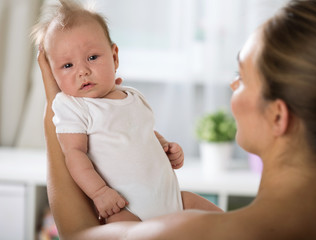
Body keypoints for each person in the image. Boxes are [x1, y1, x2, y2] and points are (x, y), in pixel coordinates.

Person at [37, 0, 316, 239]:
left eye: (241, 78)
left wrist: (55, 104)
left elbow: (79, 234)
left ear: (278, 115)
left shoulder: (183, 232)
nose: (234, 88)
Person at [32, 0, 222, 223]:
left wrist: (165, 147)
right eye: (67, 66)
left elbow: (143, 131)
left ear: (114, 57)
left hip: (172, 200)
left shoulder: (132, 96)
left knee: (217, 218)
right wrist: (99, 192)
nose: (82, 71)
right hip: (124, 208)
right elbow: (74, 154)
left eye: (92, 58)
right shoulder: (73, 106)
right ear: (53, 74)